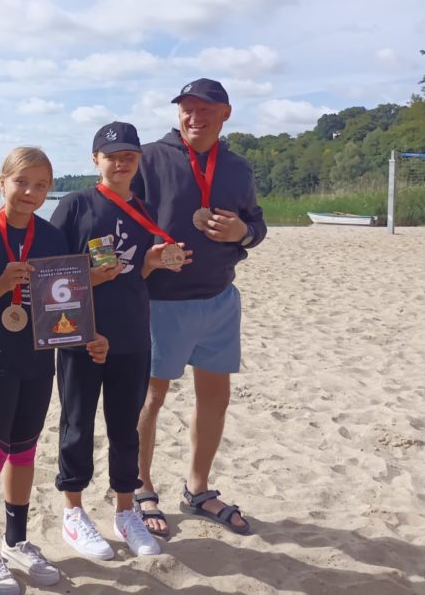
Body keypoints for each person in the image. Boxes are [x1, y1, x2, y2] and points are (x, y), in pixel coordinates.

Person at [0, 147, 107, 593]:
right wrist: (3, 282)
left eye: (41, 185)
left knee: (25, 450)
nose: (30, 192)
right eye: (21, 182)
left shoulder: (51, 237)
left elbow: (65, 301)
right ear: (2, 181)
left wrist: (90, 335)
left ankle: (16, 539)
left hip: (37, 357)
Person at [50, 121, 190, 561]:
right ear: (95, 160)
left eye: (128, 154)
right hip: (82, 337)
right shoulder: (75, 205)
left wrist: (150, 262)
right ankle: (73, 511)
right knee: (77, 426)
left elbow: (135, 274)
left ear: (139, 160)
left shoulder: (144, 211)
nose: (121, 161)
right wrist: (88, 287)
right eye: (111, 155)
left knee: (125, 427)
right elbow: (50, 278)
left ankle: (125, 510)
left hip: (132, 332)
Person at [132, 78, 266, 537]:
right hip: (160, 302)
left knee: (216, 398)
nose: (194, 117)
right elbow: (121, 218)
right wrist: (146, 256)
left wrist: (241, 234)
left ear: (225, 114)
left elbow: (257, 222)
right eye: (187, 109)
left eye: (205, 110)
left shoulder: (237, 167)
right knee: (150, 398)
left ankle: (198, 489)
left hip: (219, 299)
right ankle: (141, 487)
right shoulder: (148, 158)